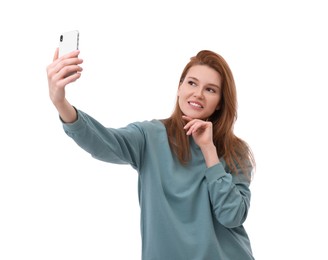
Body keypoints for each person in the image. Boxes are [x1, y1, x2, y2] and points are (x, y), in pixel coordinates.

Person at [47, 48, 256, 260]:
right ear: (179, 87)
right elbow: (102, 142)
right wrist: (60, 103)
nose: (198, 94)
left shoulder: (235, 151)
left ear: (220, 101)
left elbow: (232, 216)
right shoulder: (150, 137)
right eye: (192, 83)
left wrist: (209, 151)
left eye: (210, 89)